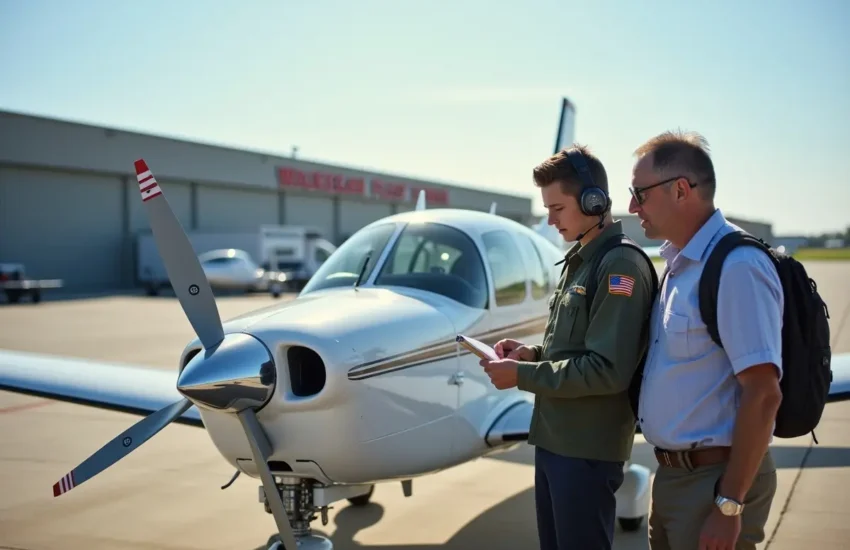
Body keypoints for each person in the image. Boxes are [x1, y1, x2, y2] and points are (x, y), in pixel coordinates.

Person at [480, 144, 656, 550]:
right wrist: (531, 356)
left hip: (586, 451)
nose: (550, 219)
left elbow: (606, 369)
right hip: (558, 442)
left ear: (593, 202)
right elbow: (573, 354)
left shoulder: (619, 266)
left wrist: (521, 376)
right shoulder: (581, 260)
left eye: (557, 208)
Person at [628, 130, 783, 550]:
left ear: (680, 190)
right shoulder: (680, 265)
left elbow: (764, 393)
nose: (631, 207)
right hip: (676, 477)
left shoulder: (736, 266)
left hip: (715, 482)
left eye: (639, 193)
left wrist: (729, 504)